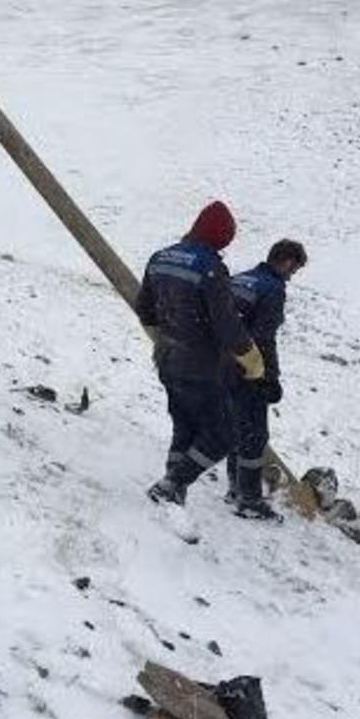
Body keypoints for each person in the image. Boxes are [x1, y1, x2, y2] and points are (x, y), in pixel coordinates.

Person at [136, 200, 265, 506]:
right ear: (219, 237)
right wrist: (250, 358)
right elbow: (226, 324)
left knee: (185, 426)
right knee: (224, 435)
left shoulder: (160, 257)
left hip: (168, 361)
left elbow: (144, 309)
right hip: (201, 367)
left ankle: (174, 491)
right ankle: (171, 484)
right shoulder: (210, 267)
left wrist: (162, 340)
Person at [226, 239, 309, 519]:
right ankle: (248, 499)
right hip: (248, 368)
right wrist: (270, 379)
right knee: (254, 434)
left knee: (236, 427)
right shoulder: (272, 288)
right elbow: (264, 338)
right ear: (286, 262)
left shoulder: (241, 278)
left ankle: (235, 488)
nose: (291, 276)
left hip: (222, 363)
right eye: (293, 270)